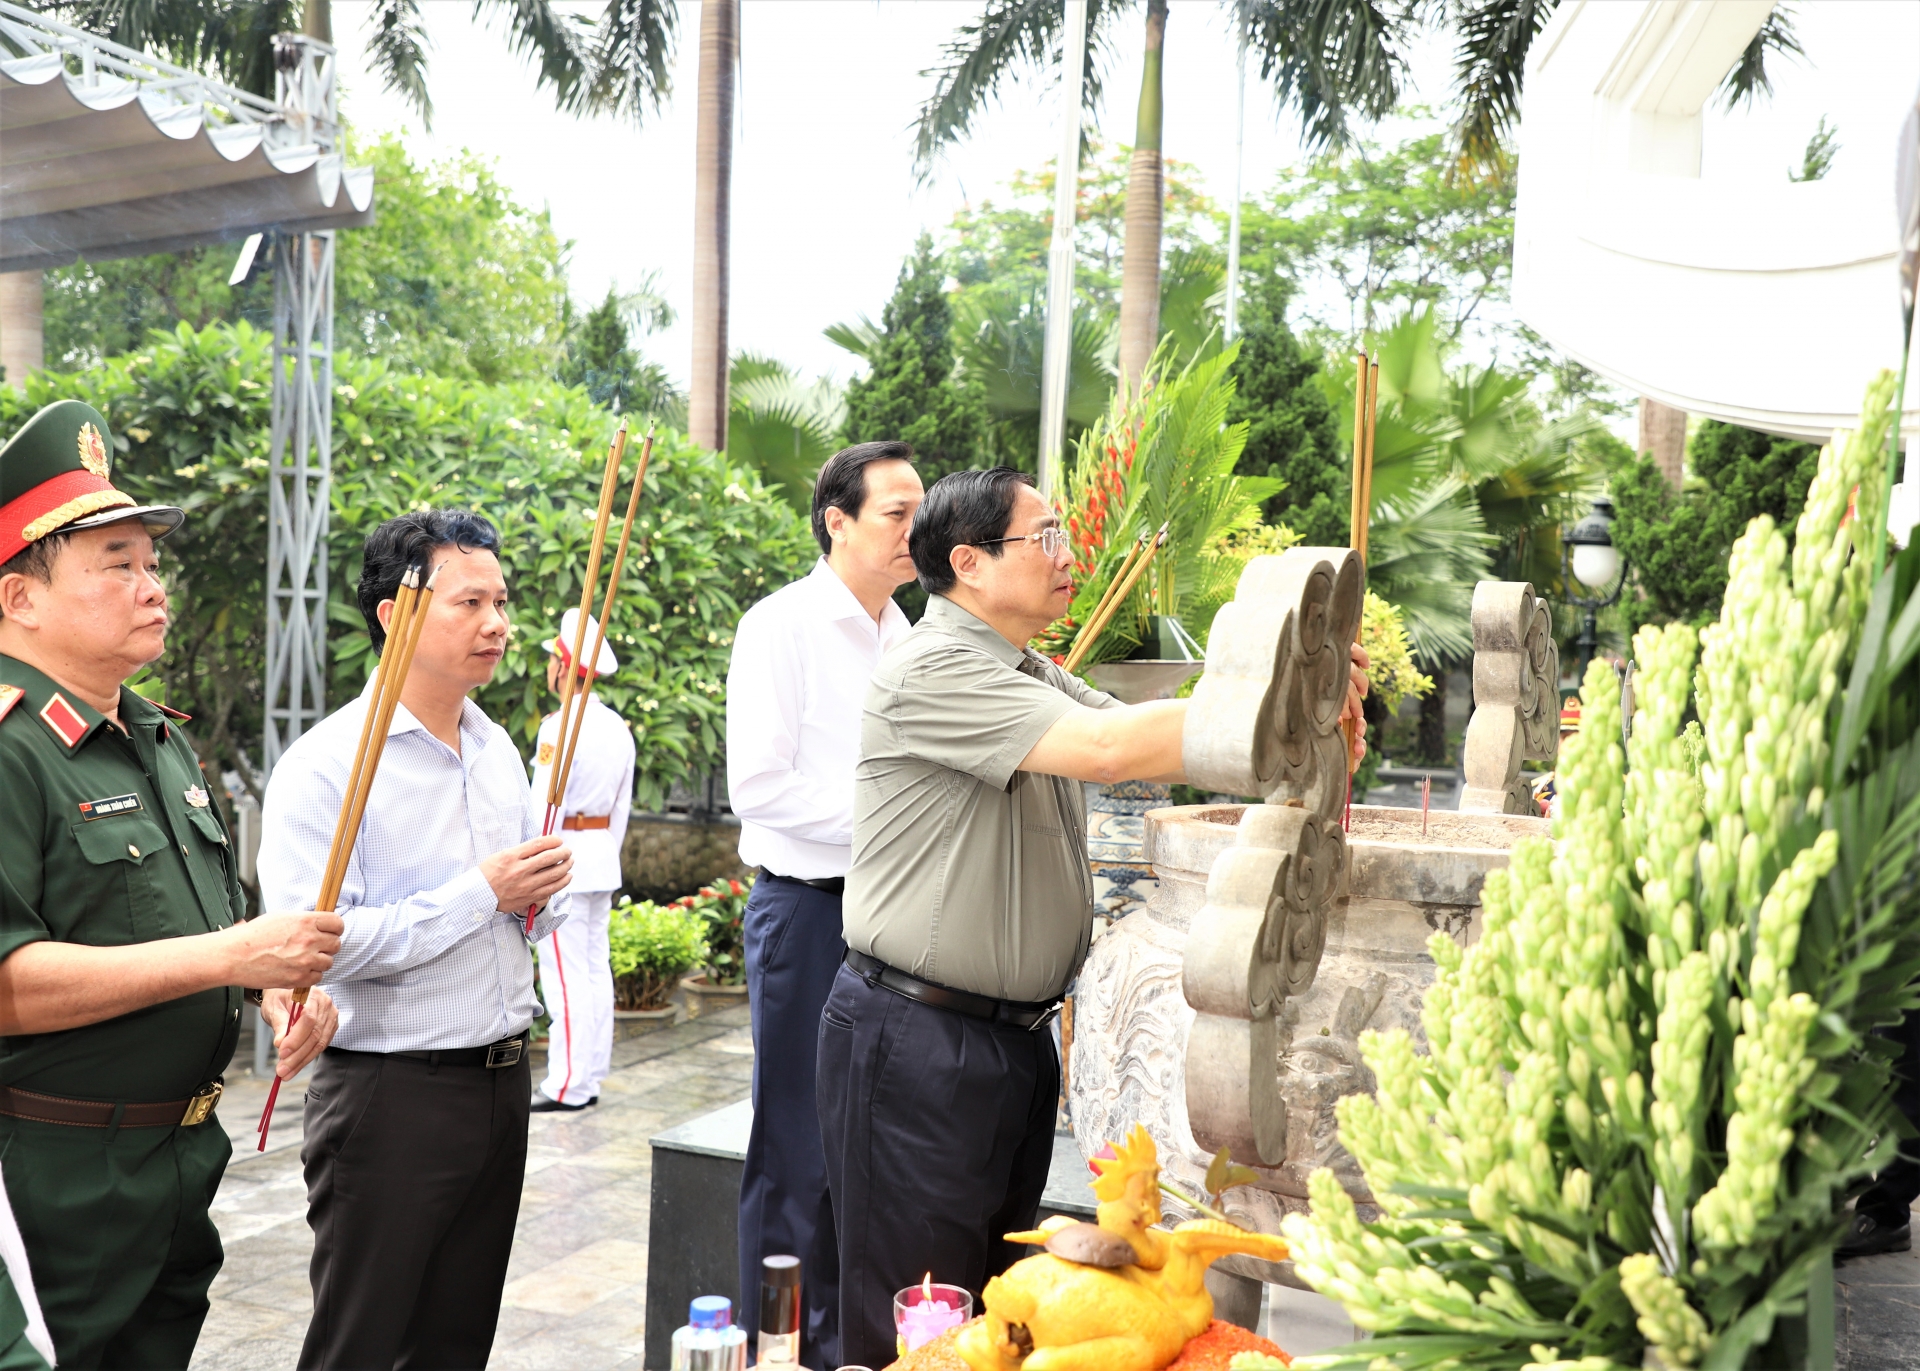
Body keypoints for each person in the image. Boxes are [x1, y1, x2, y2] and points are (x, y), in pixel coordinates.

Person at [817, 468, 1368, 1367]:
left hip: (1006, 1043)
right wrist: (1282, 686)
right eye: (1048, 539)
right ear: (970, 562)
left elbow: (1160, 737)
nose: (1070, 557)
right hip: (917, 1040)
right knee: (917, 1320)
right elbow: (1112, 751)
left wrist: (1295, 695)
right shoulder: (935, 667)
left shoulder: (1025, 669)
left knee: (1005, 1321)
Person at [0, 399, 343, 1370]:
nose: (153, 588)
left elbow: (211, 920)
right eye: (118, 565)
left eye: (153, 564)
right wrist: (231, 954)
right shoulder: (12, 750)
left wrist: (269, 987)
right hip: (51, 1180)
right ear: (20, 596)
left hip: (176, 1162)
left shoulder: (156, 736)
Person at [258, 509, 576, 1371]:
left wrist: (538, 899)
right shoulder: (326, 765)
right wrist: (483, 892)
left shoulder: (495, 748)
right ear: (397, 614)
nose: (498, 623)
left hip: (501, 1080)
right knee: (361, 1344)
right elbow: (312, 941)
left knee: (454, 1344)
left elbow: (518, 919)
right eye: (469, 602)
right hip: (390, 1095)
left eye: (501, 601)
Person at [726, 440, 923, 1367]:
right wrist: (887, 822)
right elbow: (757, 788)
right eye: (895, 512)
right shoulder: (783, 625)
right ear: (836, 520)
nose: (914, 530)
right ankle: (781, 1347)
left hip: (892, 917)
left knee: (867, 1151)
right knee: (798, 1149)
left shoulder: (908, 634)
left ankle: (849, 1346)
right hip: (807, 915)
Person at [529, 608, 636, 1112]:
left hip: (562, 858)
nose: (549, 668)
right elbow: (622, 809)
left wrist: (537, 869)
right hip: (597, 857)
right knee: (594, 971)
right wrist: (603, 855)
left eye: (553, 658)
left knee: (566, 976)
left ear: (564, 665)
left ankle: (568, 1084)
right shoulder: (617, 728)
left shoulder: (558, 729)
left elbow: (541, 806)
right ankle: (588, 1075)